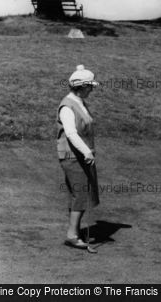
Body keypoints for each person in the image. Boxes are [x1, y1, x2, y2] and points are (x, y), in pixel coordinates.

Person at [57, 64, 100, 249]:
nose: (91, 89)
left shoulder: (80, 102)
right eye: (89, 86)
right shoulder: (67, 106)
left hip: (81, 156)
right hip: (73, 157)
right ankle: (72, 235)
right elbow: (71, 134)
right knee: (80, 194)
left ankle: (74, 232)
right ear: (81, 87)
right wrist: (86, 151)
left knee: (81, 194)